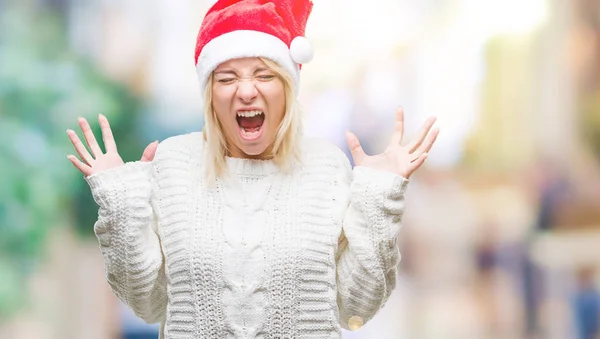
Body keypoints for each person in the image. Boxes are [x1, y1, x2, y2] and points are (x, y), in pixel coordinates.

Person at [66, 0, 439, 338]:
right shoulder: (173, 164)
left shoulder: (326, 167)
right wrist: (121, 205)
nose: (246, 91)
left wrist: (379, 199)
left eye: (264, 75)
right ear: (210, 94)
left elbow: (355, 309)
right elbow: (147, 305)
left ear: (288, 90)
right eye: (227, 78)